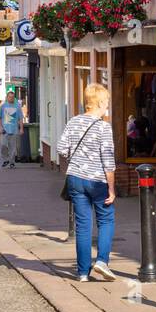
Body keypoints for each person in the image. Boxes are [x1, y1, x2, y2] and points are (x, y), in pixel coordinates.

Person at [57, 83, 117, 283]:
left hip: (75, 179)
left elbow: (62, 148)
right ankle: (101, 261)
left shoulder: (73, 122)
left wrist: (77, 161)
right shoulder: (103, 127)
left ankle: (83, 273)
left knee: (83, 226)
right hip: (97, 181)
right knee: (106, 220)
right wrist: (112, 188)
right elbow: (108, 160)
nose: (107, 104)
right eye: (106, 101)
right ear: (99, 103)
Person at [0, 91, 24, 169]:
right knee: (3, 145)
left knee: (13, 148)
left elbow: (21, 118)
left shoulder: (17, 106)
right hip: (4, 130)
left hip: (14, 129)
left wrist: (21, 128)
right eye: (10, 97)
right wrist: (0, 127)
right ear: (7, 97)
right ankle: (5, 159)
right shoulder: (3, 106)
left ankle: (12, 162)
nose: (11, 98)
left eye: (12, 97)